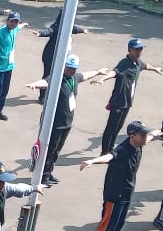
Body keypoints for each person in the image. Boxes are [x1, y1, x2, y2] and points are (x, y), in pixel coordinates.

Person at [81, 120, 163, 231]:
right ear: (132, 135)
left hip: (127, 192)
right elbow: (109, 157)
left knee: (118, 224)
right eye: (142, 135)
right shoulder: (123, 149)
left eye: (145, 135)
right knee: (108, 224)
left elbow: (149, 138)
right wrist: (92, 161)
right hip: (114, 193)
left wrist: (155, 134)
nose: (145, 138)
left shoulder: (138, 144)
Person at [23, 55, 110, 185]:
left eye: (74, 68)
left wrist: (98, 72)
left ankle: (49, 172)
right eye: (69, 68)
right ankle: (43, 176)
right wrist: (35, 84)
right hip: (55, 122)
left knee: (57, 150)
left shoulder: (74, 78)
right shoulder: (57, 78)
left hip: (67, 122)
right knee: (49, 149)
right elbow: (45, 82)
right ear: (64, 66)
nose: (72, 71)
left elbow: (84, 75)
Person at [92, 38, 163, 154]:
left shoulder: (137, 63)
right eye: (136, 50)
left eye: (140, 49)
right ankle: (105, 151)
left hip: (127, 102)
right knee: (111, 128)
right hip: (118, 102)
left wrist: (155, 68)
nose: (139, 52)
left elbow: (146, 66)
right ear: (129, 50)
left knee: (118, 128)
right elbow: (114, 72)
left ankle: (111, 150)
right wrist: (103, 79)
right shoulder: (124, 63)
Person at [32, 9, 87, 104]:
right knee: (48, 76)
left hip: (62, 57)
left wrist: (83, 30)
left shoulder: (69, 25)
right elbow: (49, 31)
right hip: (51, 56)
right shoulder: (57, 25)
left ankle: (56, 95)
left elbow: (75, 29)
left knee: (61, 76)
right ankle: (42, 97)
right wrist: (40, 33)